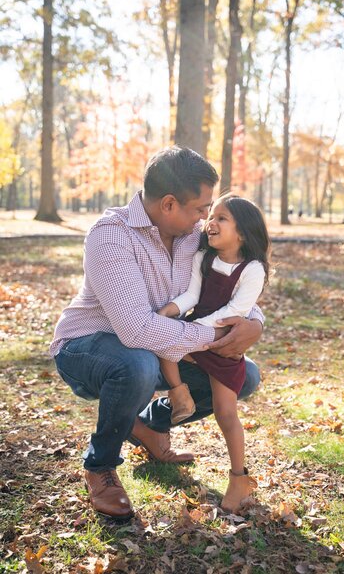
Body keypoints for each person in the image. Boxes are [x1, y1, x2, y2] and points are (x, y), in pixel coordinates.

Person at [50, 146, 264, 521]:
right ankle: (100, 466)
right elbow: (135, 329)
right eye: (200, 209)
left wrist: (253, 323)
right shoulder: (110, 237)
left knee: (246, 375)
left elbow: (233, 275)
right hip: (88, 345)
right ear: (168, 205)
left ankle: (148, 424)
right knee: (138, 365)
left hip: (161, 342)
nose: (205, 219)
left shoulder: (192, 236)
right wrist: (214, 339)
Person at [157, 195, 270, 513]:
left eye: (222, 218)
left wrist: (196, 334)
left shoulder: (253, 269)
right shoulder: (203, 257)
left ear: (243, 232)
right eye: (212, 216)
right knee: (167, 343)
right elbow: (192, 294)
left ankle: (238, 477)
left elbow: (237, 310)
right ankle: (178, 394)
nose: (212, 223)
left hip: (222, 342)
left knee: (226, 413)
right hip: (201, 329)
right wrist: (172, 310)